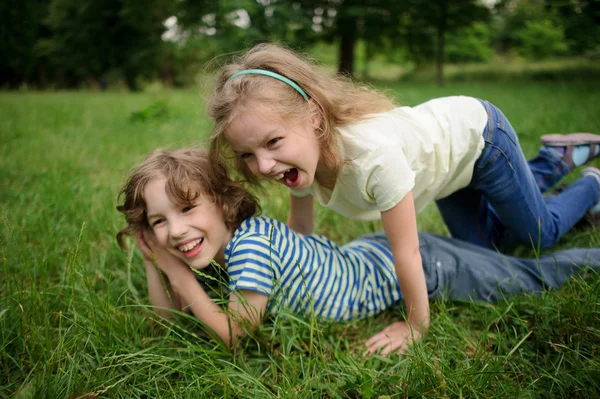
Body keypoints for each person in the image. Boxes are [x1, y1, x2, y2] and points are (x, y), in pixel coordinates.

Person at [206, 43, 600, 354]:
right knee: (493, 248)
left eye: (273, 142)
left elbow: (407, 254)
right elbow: (301, 233)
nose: (263, 166)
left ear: (314, 117)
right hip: (446, 175)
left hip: (480, 141)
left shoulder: (373, 160)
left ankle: (590, 182)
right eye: (247, 155)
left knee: (539, 235)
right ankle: (553, 161)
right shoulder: (299, 164)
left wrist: (415, 324)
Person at [116, 148, 600, 352]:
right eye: (159, 221)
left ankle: (590, 184)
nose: (176, 231)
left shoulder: (250, 249)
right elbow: (172, 324)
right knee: (504, 244)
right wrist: (154, 263)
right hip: (371, 257)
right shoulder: (217, 247)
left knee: (528, 275)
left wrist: (178, 276)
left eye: (186, 210)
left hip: (419, 267)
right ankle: (571, 182)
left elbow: (234, 334)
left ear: (223, 205)